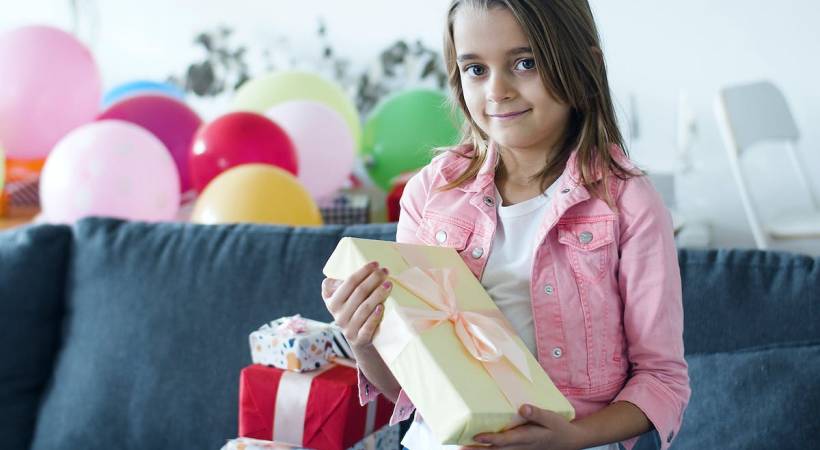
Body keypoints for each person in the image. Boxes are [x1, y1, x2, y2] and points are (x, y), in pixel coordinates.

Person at [321, 1, 690, 449]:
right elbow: (410, 388)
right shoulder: (430, 192)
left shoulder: (628, 202)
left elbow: (661, 380)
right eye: (475, 69)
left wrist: (572, 437)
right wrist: (363, 339)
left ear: (585, 66)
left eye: (525, 63)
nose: (497, 90)